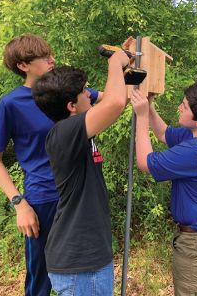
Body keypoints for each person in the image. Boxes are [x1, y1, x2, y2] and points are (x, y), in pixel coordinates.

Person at [0, 33, 101, 296]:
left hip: (80, 196)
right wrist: (19, 204)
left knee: (81, 273)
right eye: (43, 57)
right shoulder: (11, 103)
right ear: (23, 66)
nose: (52, 58)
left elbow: (110, 100)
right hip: (43, 200)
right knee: (41, 278)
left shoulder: (65, 90)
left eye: (50, 53)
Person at [31, 49, 130, 296]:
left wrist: (125, 69)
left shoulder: (74, 130)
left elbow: (118, 100)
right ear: (71, 106)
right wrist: (115, 62)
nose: (90, 94)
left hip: (85, 259)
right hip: (80, 264)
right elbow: (114, 103)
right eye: (85, 91)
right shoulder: (64, 133)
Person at [131, 80, 197, 296]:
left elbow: (144, 162)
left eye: (185, 106)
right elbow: (164, 134)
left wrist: (141, 117)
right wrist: (149, 105)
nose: (180, 107)